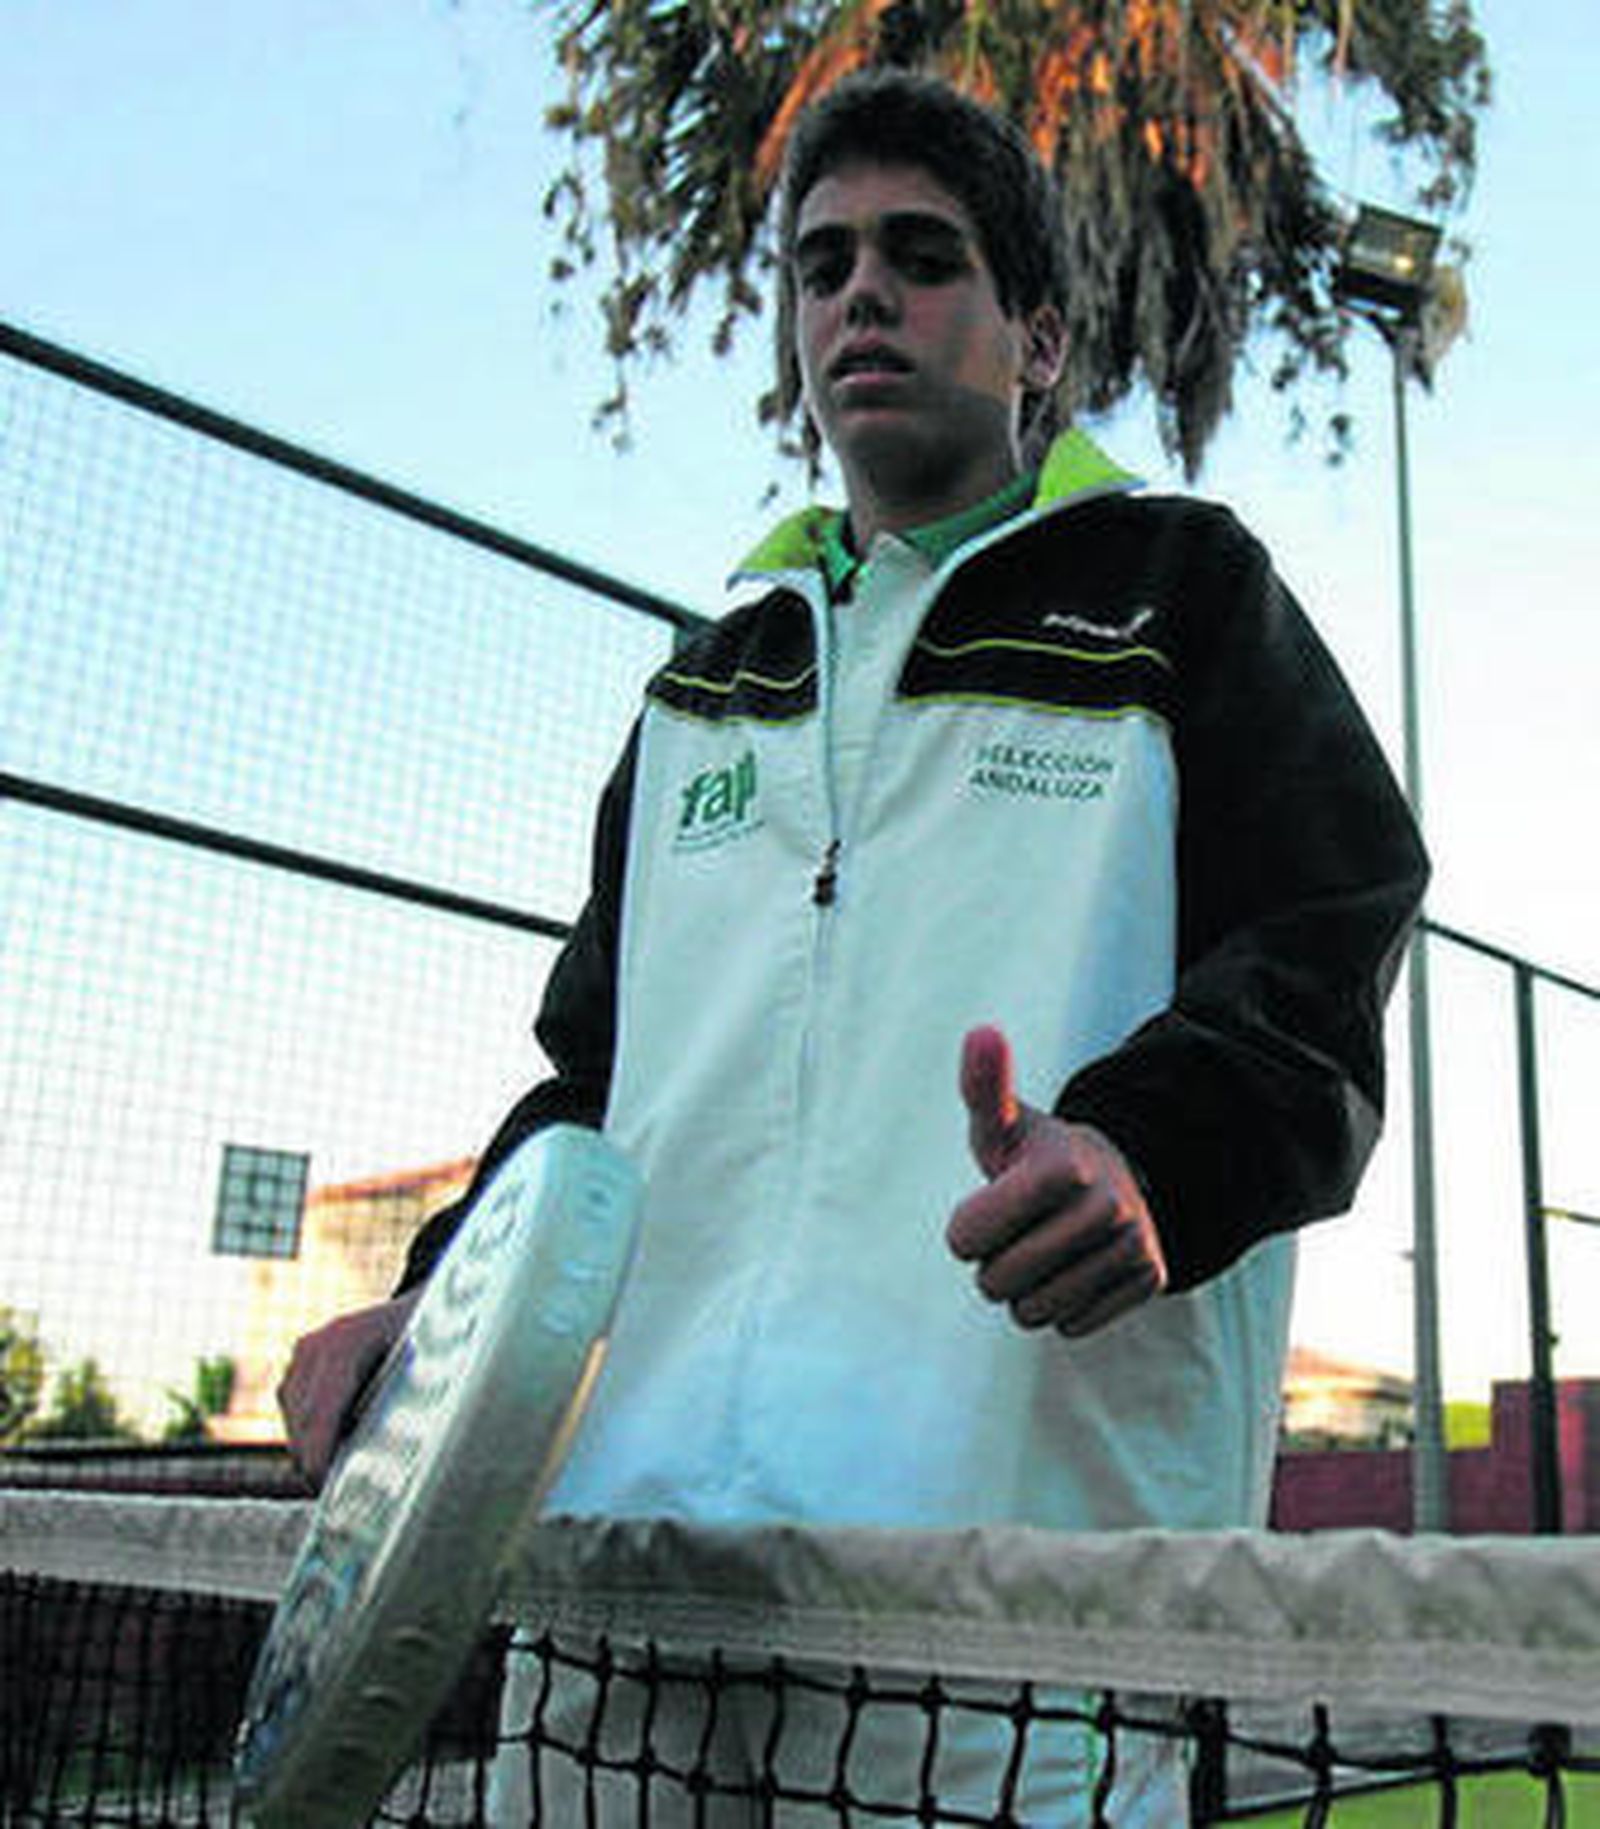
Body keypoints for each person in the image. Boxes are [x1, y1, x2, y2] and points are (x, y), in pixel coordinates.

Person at [279, 69, 1428, 1823]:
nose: (859, 296)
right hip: (625, 1615)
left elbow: (1328, 949)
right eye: (821, 268)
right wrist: (431, 1302)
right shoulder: (701, 688)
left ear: (1038, 338)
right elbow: (594, 1088)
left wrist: (1145, 1149)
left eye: (921, 256)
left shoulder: (1186, 595)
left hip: (1005, 1641)